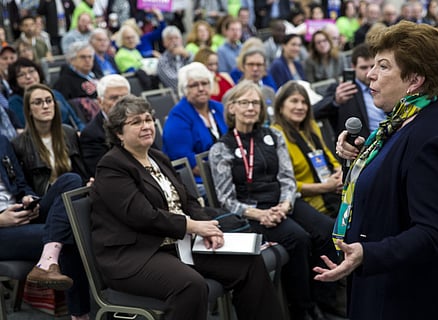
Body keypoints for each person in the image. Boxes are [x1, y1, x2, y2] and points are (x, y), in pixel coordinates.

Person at [314, 21, 438, 320]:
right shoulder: (406, 120)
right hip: (393, 286)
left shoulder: (433, 136)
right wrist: (357, 159)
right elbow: (392, 181)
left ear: (414, 79)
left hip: (417, 297)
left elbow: (429, 233)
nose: (370, 75)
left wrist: (367, 254)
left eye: (383, 66)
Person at [90, 94, 284, 320]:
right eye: (136, 122)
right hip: (137, 254)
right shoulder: (112, 166)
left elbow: (189, 200)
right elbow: (142, 216)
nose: (146, 126)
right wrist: (193, 227)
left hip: (178, 244)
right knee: (191, 285)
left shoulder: (157, 157)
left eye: (148, 119)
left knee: (249, 263)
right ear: (118, 133)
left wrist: (206, 228)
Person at [209, 80, 341, 319]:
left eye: (256, 103)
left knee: (327, 229)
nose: (251, 107)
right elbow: (226, 199)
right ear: (231, 108)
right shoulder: (222, 148)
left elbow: (287, 179)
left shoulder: (273, 136)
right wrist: (260, 213)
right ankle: (302, 308)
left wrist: (286, 204)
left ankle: (324, 301)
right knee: (298, 238)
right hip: (251, 211)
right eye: (245, 102)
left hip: (282, 202)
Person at [10, 83, 92, 320]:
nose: (45, 106)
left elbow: (84, 172)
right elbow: (22, 186)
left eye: (48, 100)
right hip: (44, 207)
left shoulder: (67, 133)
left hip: (70, 206)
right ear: (28, 110)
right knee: (69, 179)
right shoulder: (20, 144)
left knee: (71, 236)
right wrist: (28, 198)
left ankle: (79, 314)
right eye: (38, 102)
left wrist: (89, 183)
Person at [272, 80, 342, 215]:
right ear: (280, 106)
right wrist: (325, 187)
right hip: (305, 204)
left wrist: (340, 174)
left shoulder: (312, 127)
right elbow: (286, 184)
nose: (300, 107)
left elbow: (329, 157)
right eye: (294, 101)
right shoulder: (276, 135)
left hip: (333, 192)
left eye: (304, 102)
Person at [162, 62, 228, 183]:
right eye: (194, 85)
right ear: (184, 89)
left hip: (227, 171)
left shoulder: (220, 108)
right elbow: (186, 161)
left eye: (204, 83)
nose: (201, 89)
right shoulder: (178, 116)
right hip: (199, 180)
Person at [314, 43, 384, 139]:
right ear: (353, 67)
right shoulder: (342, 89)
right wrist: (335, 101)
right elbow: (314, 112)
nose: (369, 72)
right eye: (363, 68)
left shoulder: (386, 85)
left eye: (372, 66)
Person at [7, 58, 85, 130]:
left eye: (31, 71)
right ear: (15, 80)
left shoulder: (55, 94)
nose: (28, 77)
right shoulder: (15, 102)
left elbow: (76, 121)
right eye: (21, 75)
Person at [157, 26, 192, 93]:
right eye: (170, 39)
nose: (174, 41)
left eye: (176, 38)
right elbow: (175, 84)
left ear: (181, 40)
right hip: (176, 95)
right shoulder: (162, 61)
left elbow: (199, 71)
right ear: (164, 43)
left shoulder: (189, 54)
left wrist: (188, 57)